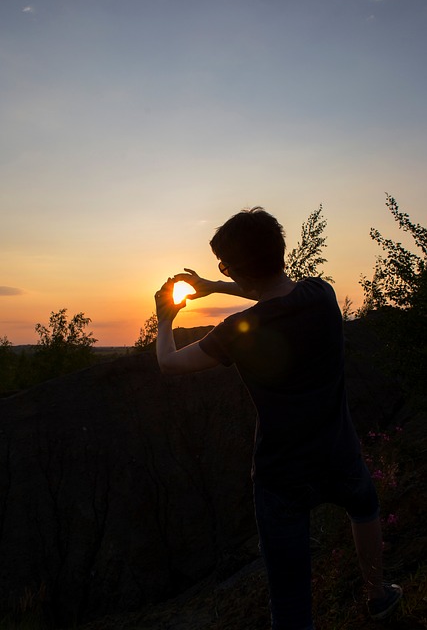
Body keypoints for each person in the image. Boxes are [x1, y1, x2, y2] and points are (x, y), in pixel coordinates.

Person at [154, 207, 402, 630]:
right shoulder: (320, 295)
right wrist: (216, 285)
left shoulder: (237, 331)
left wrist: (164, 319)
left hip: (281, 474)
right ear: (280, 250)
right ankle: (378, 596)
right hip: (339, 450)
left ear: (231, 266)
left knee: (289, 601)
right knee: (364, 506)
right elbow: (274, 293)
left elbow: (170, 364)